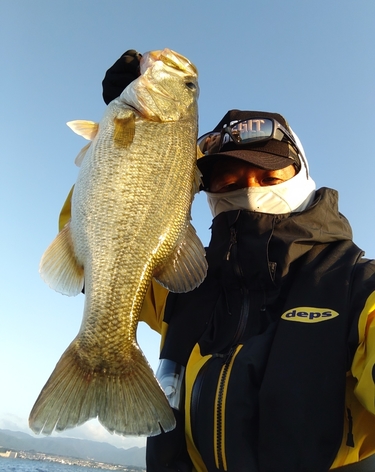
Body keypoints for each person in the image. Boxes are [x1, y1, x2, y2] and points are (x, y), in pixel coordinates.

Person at [61, 51, 375, 471]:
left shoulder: (358, 288)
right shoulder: (185, 282)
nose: (246, 191)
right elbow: (94, 250)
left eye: (267, 175)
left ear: (301, 175)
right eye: (226, 180)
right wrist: (127, 150)